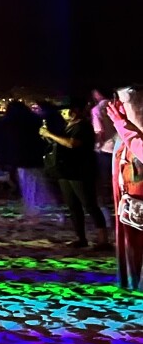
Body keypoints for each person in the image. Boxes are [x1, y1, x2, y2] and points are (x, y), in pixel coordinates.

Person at [41, 100, 112, 249]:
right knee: (73, 205)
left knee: (90, 204)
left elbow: (72, 143)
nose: (65, 114)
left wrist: (50, 135)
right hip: (65, 170)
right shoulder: (67, 126)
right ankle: (81, 238)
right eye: (63, 111)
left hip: (80, 171)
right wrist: (48, 137)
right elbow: (63, 143)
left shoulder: (83, 126)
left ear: (76, 111)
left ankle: (103, 240)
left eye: (67, 111)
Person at [105, 86, 143, 289]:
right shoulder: (125, 132)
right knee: (130, 240)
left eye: (127, 103)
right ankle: (132, 278)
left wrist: (122, 125)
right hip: (129, 198)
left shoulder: (128, 130)